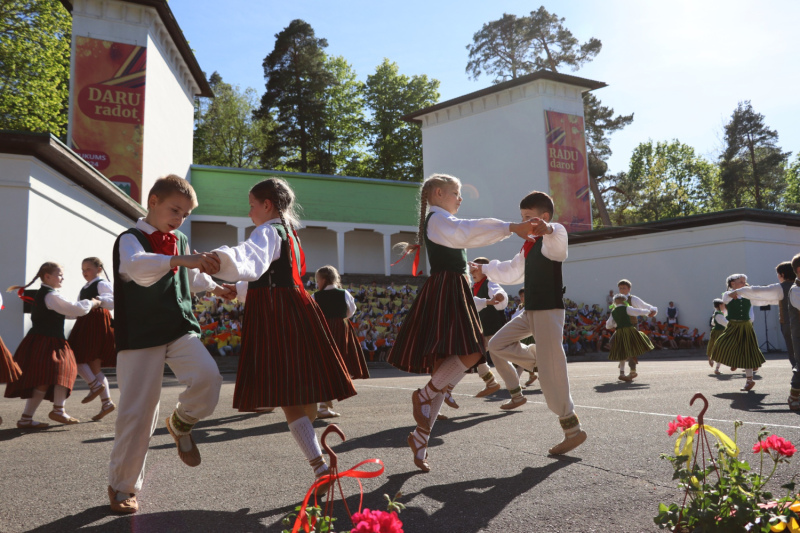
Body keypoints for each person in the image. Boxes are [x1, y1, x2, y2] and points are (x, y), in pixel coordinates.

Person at [213, 177, 357, 490]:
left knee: (288, 392)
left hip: (276, 314)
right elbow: (273, 274)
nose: (250, 213)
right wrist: (237, 289)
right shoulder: (288, 232)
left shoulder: (266, 230)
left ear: (267, 205)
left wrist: (218, 261)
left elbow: (253, 260)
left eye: (252, 206)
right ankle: (320, 465)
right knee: (293, 392)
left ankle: (320, 467)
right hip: (291, 306)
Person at [387, 173, 535, 472]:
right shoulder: (438, 220)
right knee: (473, 352)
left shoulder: (439, 220)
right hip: (447, 288)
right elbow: (467, 231)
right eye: (456, 193)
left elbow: (464, 234)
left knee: (448, 364)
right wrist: (510, 227)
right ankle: (425, 395)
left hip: (451, 288)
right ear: (439, 193)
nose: (461, 197)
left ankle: (421, 436)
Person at [107, 175, 230, 514]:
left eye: (185, 214)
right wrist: (180, 260)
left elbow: (190, 275)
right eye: (175, 209)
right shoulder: (129, 239)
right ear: (153, 200)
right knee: (138, 413)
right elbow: (136, 269)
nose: (179, 218)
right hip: (140, 334)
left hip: (178, 326)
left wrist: (217, 287)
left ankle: (181, 421)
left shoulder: (179, 239)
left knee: (208, 378)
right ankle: (123, 488)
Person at [477, 190, 587, 456]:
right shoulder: (528, 245)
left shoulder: (554, 236)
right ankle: (537, 361)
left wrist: (547, 228)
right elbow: (512, 271)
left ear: (544, 217)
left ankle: (572, 431)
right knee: (497, 345)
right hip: (530, 311)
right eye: (522, 218)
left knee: (553, 373)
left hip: (548, 311)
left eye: (529, 217)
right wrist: (484, 269)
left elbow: (557, 236)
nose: (525, 222)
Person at [5, 262, 100, 429]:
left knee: (52, 376)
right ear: (47, 276)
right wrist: (93, 302)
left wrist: (78, 312)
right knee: (62, 371)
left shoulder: (48, 295)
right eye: (60, 274)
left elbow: (65, 312)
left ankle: (33, 417)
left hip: (43, 340)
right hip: (47, 341)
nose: (62, 277)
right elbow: (73, 308)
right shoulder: (51, 296)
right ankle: (56, 411)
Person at [734, 261, 799, 407]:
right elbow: (766, 298)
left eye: (778, 274)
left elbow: (760, 291)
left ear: (782, 275)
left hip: (791, 326)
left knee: (796, 358)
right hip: (791, 326)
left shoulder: (783, 287)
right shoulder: (793, 287)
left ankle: (796, 394)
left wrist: (739, 291)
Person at [312, 265, 369, 419]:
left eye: (317, 280)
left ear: (323, 280)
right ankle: (323, 406)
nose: (317, 283)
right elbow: (351, 311)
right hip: (340, 331)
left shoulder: (315, 296)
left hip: (323, 332)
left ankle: (322, 405)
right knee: (337, 366)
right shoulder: (344, 293)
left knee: (324, 367)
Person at [68, 257, 117, 421]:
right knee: (94, 366)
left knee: (76, 355)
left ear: (99, 269)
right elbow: (79, 308)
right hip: (86, 322)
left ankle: (95, 385)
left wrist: (98, 301)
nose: (84, 272)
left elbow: (113, 301)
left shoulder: (101, 283)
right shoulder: (84, 288)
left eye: (88, 268)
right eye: (83, 269)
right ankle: (107, 402)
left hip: (96, 322)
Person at [711, 274, 767, 392]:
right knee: (720, 344)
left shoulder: (748, 295)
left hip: (746, 325)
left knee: (747, 352)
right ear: (733, 284)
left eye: (745, 281)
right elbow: (727, 298)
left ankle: (749, 381)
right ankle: (733, 361)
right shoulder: (726, 295)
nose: (744, 283)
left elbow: (753, 308)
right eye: (741, 281)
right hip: (733, 325)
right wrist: (740, 292)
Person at [470, 257, 509, 399]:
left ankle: (534, 360)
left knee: (503, 359)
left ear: (485, 271)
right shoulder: (473, 287)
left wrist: (498, 296)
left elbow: (498, 292)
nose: (472, 272)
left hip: (494, 329)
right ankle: (491, 382)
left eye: (476, 270)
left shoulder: (490, 283)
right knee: (474, 355)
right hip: (482, 329)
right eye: (472, 270)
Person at [605, 294, 654, 382]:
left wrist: (616, 324)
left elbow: (608, 325)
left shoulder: (613, 311)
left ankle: (622, 373)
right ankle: (632, 356)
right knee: (640, 341)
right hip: (629, 331)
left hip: (619, 332)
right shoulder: (626, 308)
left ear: (615, 302)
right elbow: (638, 311)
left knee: (622, 352)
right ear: (624, 301)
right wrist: (648, 311)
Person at [707, 299, 728, 373]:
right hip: (719, 333)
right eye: (723, 304)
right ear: (720, 305)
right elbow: (726, 323)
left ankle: (716, 366)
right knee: (721, 350)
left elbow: (713, 323)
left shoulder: (717, 313)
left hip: (717, 332)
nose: (724, 306)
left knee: (719, 349)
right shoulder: (718, 314)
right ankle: (713, 363)